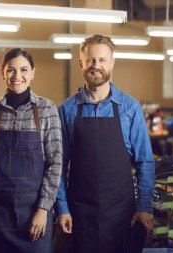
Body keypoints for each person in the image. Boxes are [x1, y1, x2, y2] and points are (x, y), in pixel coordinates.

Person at [54, 34, 155, 253]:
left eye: (102, 60)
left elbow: (145, 161)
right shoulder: (66, 110)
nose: (96, 66)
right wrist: (62, 207)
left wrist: (144, 206)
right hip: (79, 214)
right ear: (81, 63)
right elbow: (58, 166)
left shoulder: (130, 107)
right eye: (90, 60)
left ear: (112, 63)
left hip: (122, 213)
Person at [0, 48, 62, 253]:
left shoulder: (47, 109)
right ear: (3, 72)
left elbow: (55, 163)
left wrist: (43, 209)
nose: (17, 76)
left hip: (33, 211)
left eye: (24, 70)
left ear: (33, 73)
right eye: (11, 70)